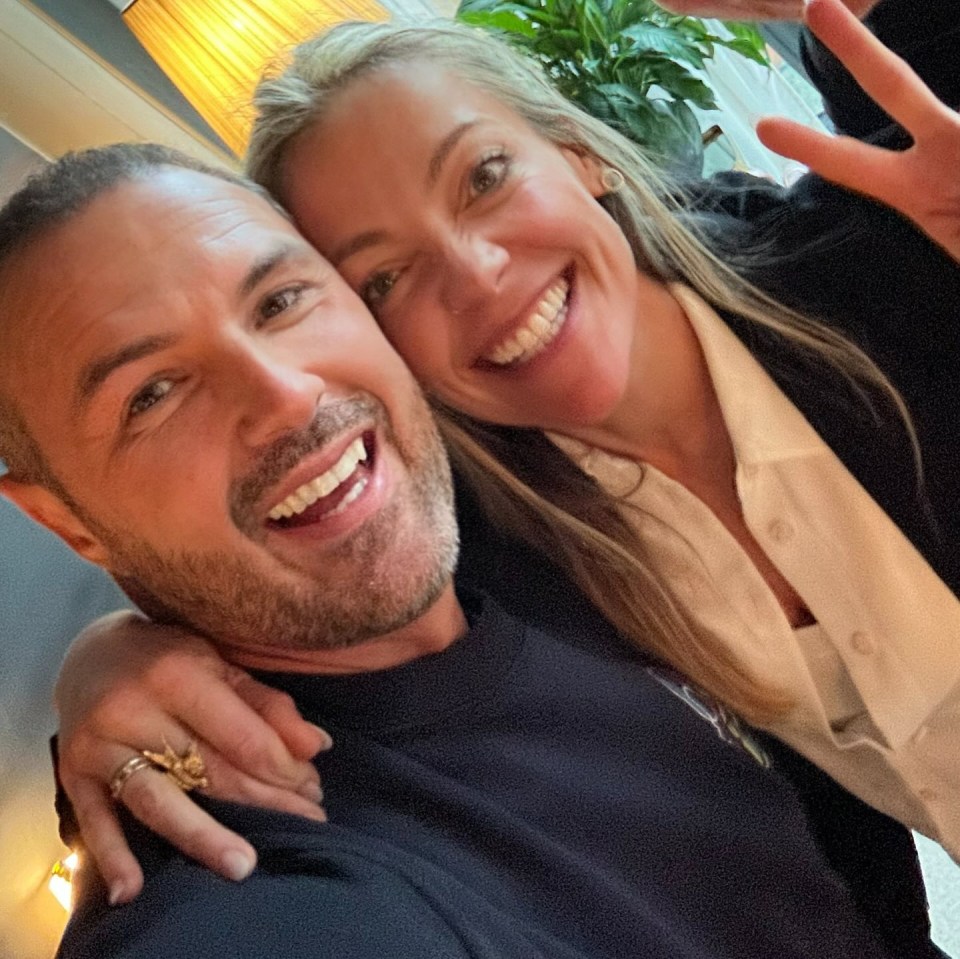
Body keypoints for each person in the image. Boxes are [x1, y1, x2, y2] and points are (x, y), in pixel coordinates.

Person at [49, 0, 960, 904]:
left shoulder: (891, 254)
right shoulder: (486, 562)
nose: (476, 272)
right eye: (386, 277)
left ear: (578, 150)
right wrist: (107, 664)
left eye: (484, 177)